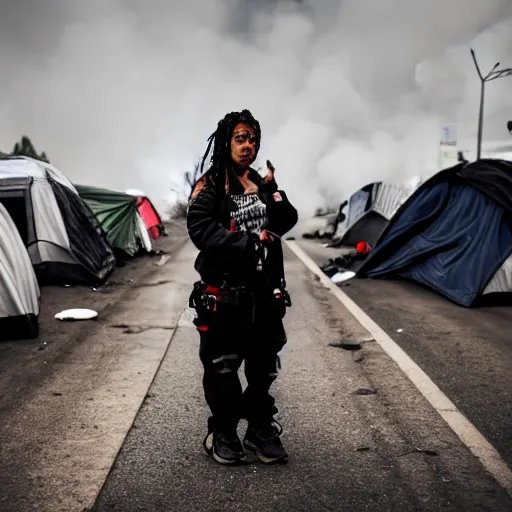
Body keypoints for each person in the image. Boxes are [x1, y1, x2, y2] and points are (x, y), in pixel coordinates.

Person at [187, 109, 298, 465]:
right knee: (223, 368)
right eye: (240, 138)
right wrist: (245, 243)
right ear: (226, 143)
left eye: (252, 139)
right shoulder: (211, 186)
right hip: (224, 296)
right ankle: (223, 431)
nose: (248, 145)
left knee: (264, 368)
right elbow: (200, 226)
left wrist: (270, 190)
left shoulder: (261, 184)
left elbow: (287, 220)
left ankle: (260, 427)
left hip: (264, 297)